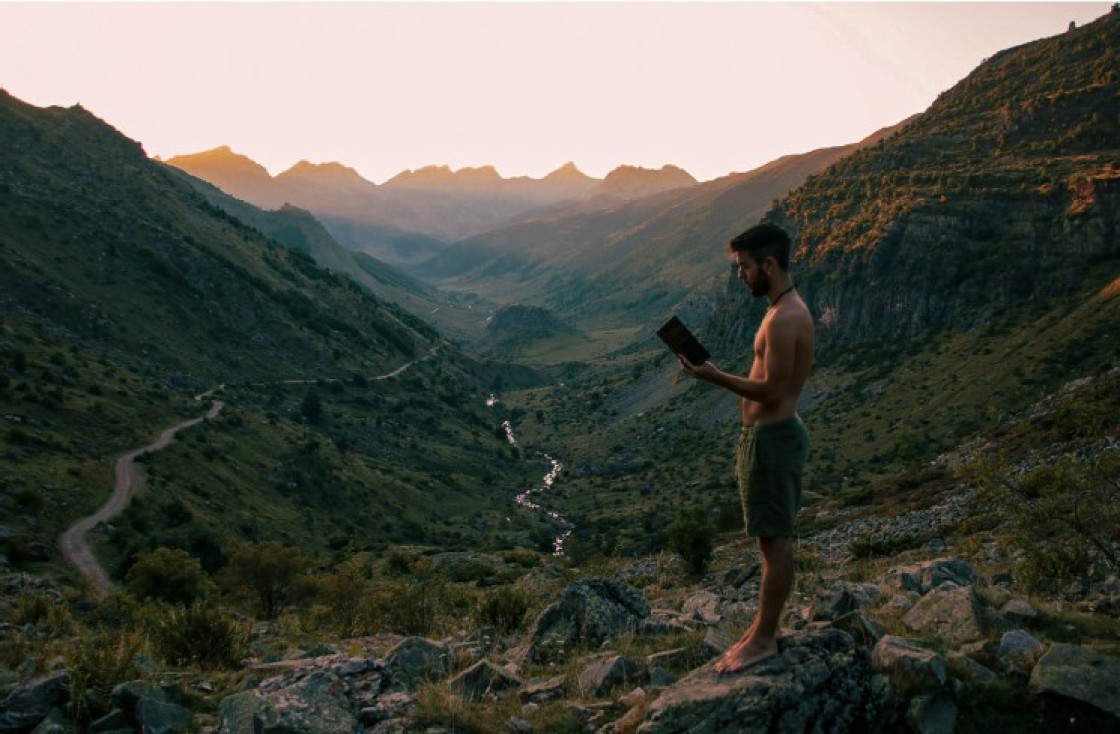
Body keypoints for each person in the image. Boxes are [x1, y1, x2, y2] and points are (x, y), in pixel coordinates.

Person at [677, 222, 814, 674]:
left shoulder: (784, 318)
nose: (741, 276)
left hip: (772, 440)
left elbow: (773, 391)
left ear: (769, 265)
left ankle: (765, 639)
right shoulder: (783, 309)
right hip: (767, 439)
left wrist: (713, 376)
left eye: (745, 267)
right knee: (768, 539)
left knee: (775, 543)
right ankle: (764, 628)